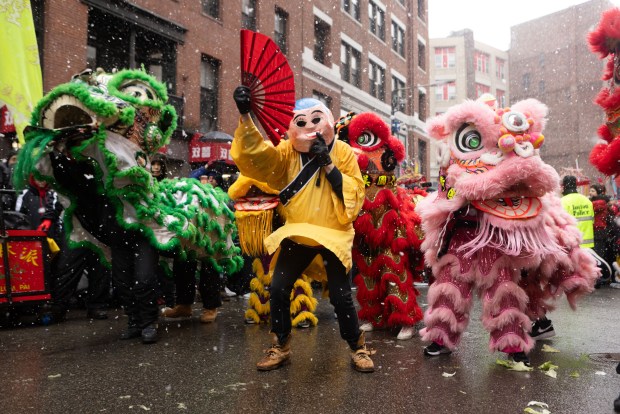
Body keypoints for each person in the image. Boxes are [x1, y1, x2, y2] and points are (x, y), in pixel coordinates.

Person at [231, 85, 374, 372]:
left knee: (341, 296)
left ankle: (358, 346)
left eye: (316, 119)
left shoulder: (344, 152)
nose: (309, 126)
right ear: (291, 126)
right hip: (298, 233)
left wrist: (328, 164)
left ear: (329, 121)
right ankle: (280, 345)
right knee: (280, 288)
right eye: (301, 121)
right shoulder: (286, 152)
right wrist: (246, 116)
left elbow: (356, 193)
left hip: (333, 235)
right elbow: (259, 160)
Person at [589, 183, 617, 286]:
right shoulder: (604, 202)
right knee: (599, 254)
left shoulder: (599, 202)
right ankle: (601, 277)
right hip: (600, 231)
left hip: (599, 231)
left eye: (592, 191)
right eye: (590, 191)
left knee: (597, 255)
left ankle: (598, 278)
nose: (590, 193)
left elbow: (592, 207)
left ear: (598, 192)